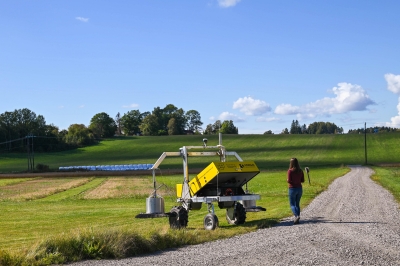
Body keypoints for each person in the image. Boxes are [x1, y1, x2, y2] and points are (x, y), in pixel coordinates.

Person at [287, 157, 305, 225]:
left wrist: (288, 180)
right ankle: (298, 217)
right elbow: (302, 180)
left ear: (291, 163)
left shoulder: (290, 171)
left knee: (292, 204)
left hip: (292, 189)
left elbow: (289, 180)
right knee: (297, 204)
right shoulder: (300, 171)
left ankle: (296, 216)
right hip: (299, 189)